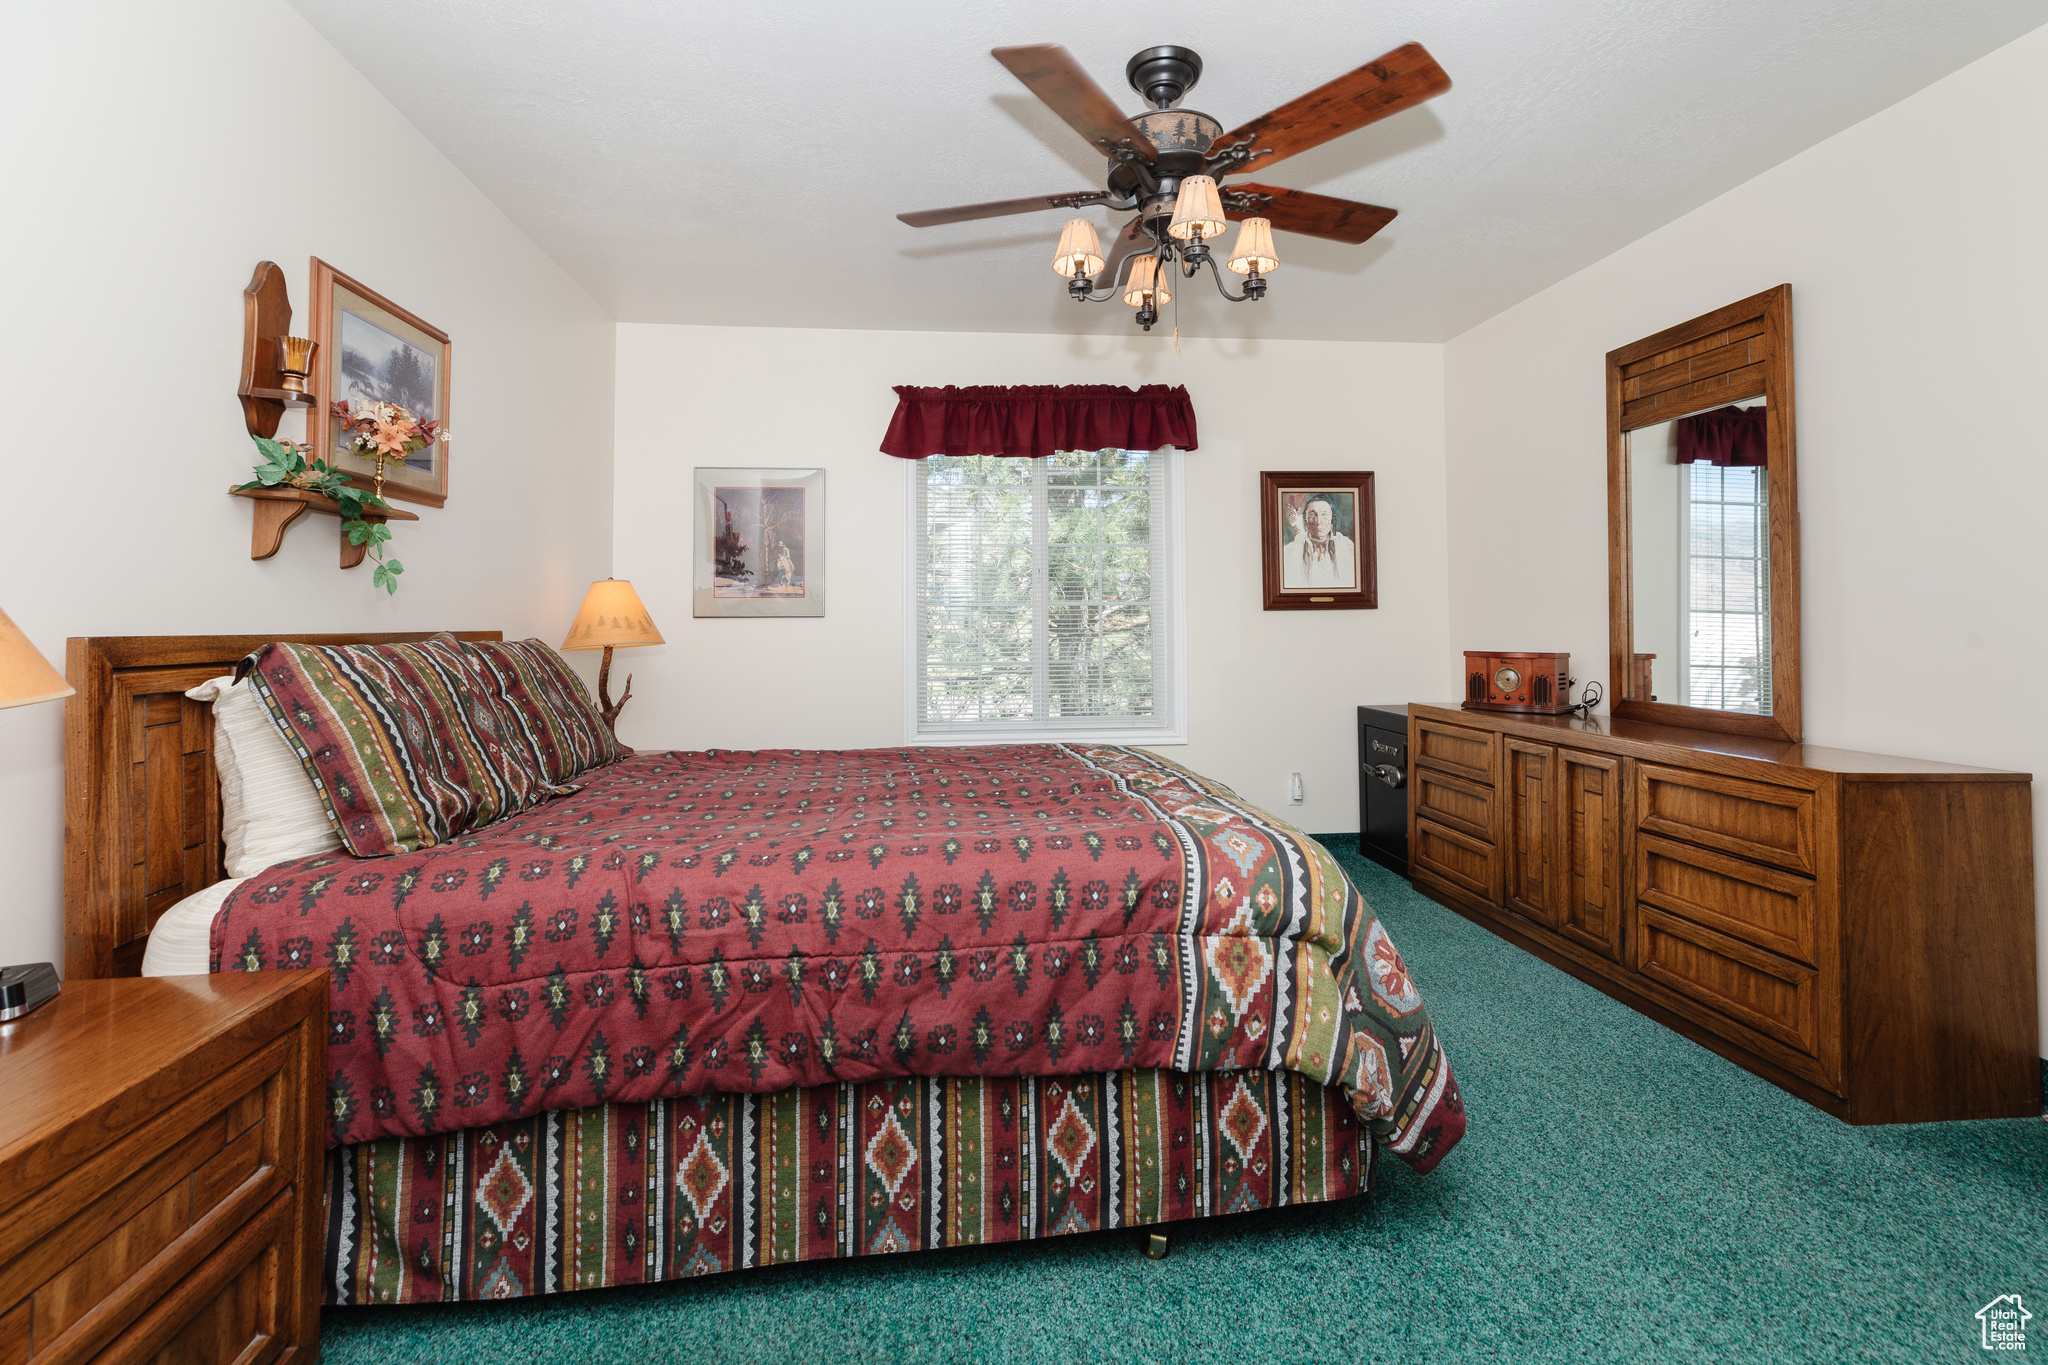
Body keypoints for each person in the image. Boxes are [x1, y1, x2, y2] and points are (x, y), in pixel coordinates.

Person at [1282, 496, 1356, 589]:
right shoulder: (1290, 551)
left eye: (1324, 514)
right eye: (1312, 515)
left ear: (1332, 519)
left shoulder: (1346, 547)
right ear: (1305, 520)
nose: (1318, 521)